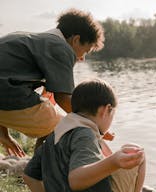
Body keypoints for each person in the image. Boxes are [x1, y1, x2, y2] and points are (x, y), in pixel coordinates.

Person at [23, 79, 146, 192]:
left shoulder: (55, 134)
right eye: (112, 114)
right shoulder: (85, 134)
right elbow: (77, 180)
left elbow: (29, 176)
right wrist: (114, 161)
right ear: (106, 110)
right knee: (138, 152)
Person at [0, 8, 105, 157]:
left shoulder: (29, 39)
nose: (82, 58)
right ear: (75, 40)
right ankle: (43, 173)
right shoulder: (61, 48)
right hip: (8, 94)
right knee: (69, 125)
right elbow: (63, 98)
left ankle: (37, 167)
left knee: (51, 111)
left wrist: (3, 134)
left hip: (4, 94)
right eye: (86, 51)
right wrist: (94, 124)